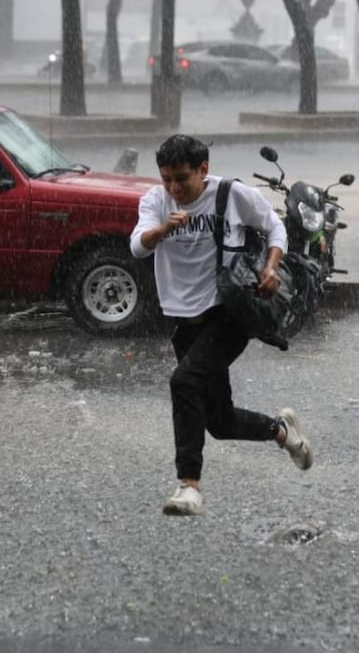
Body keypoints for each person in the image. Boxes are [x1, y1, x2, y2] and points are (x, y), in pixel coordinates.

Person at [130, 134, 313, 516]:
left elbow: (275, 228)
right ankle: (282, 431)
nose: (174, 188)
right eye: (166, 179)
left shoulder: (231, 195)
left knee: (183, 382)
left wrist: (271, 266)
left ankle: (189, 487)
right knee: (219, 420)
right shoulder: (156, 201)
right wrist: (163, 228)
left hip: (229, 313)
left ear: (203, 169)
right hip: (184, 320)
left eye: (182, 178)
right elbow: (138, 245)